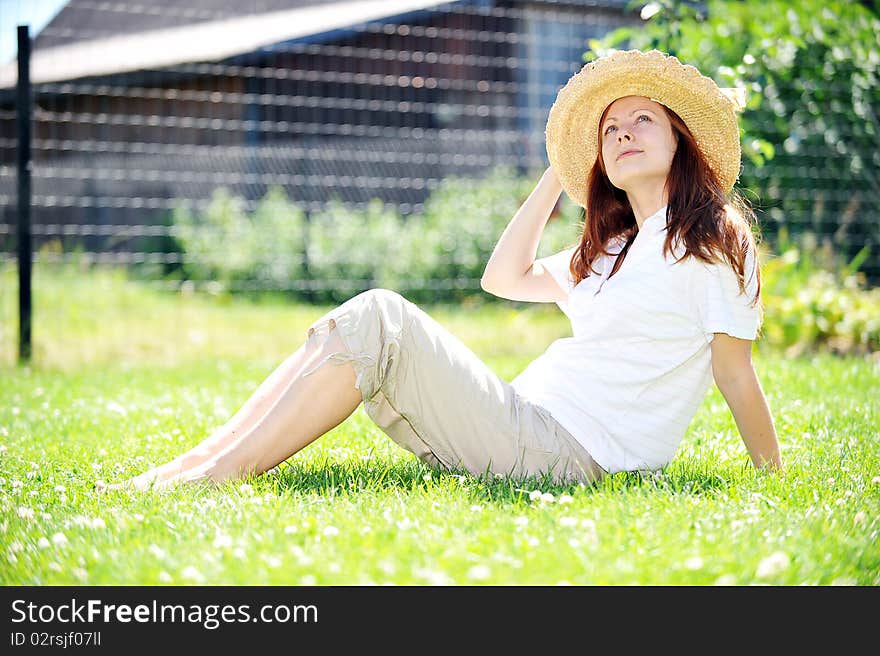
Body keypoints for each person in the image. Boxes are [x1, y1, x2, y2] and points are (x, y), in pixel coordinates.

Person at [99, 49, 781, 493]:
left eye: (642, 120)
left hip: (569, 454)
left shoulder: (712, 239)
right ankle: (193, 467)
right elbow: (503, 277)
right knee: (349, 324)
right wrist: (559, 173)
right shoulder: (614, 247)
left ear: (681, 141)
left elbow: (733, 370)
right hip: (524, 423)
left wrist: (770, 480)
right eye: (609, 130)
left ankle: (214, 477)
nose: (624, 132)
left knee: (378, 316)